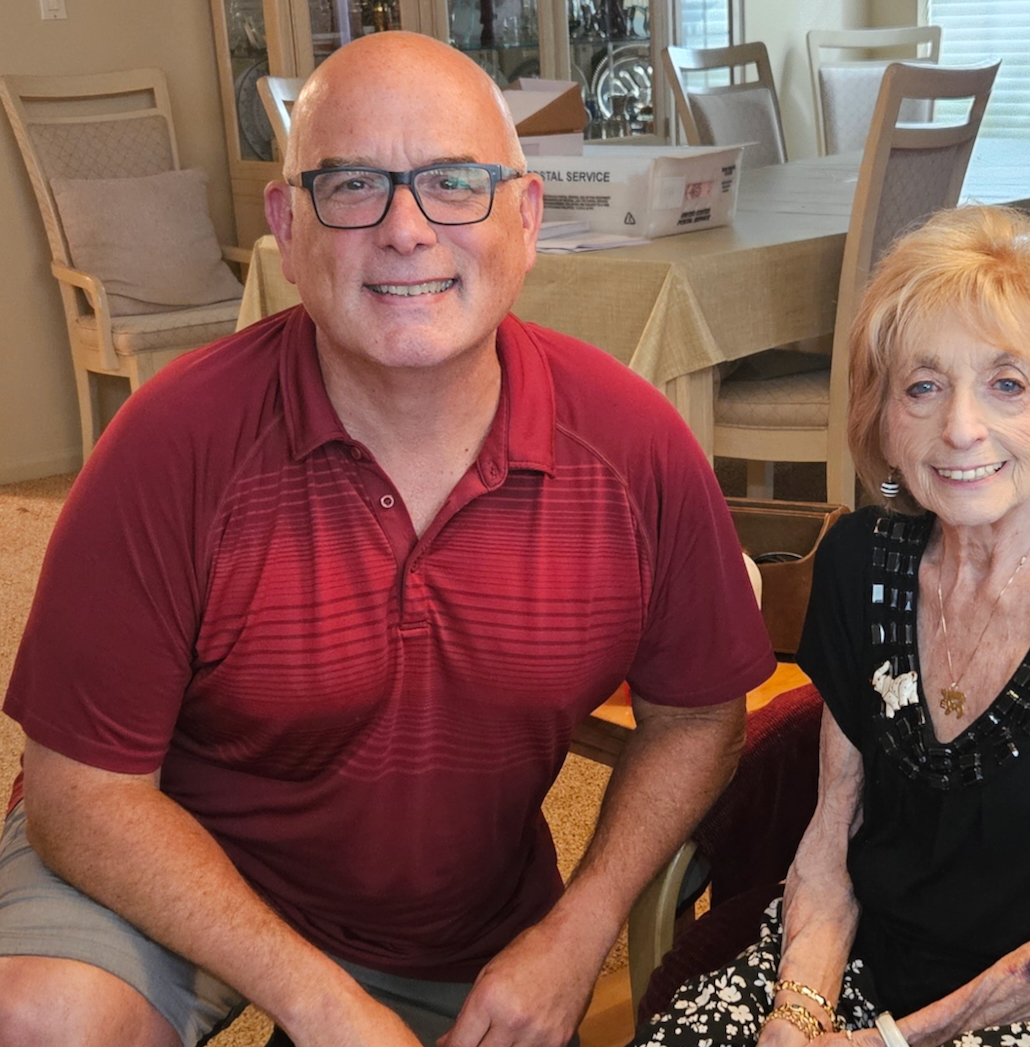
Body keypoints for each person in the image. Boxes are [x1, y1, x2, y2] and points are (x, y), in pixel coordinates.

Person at [0, 31, 776, 1047]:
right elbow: (81, 797)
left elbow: (698, 716)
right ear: (287, 228)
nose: (406, 230)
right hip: (171, 868)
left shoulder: (634, 447)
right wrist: (318, 1001)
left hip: (448, 924)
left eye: (454, 183)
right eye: (353, 185)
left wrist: (576, 933)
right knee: (42, 1018)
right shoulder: (170, 442)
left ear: (526, 218)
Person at [631, 206, 1030, 1047]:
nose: (961, 429)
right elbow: (833, 831)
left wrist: (887, 1044)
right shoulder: (862, 561)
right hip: (892, 958)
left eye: (1007, 384)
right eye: (923, 386)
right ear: (883, 416)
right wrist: (798, 1015)